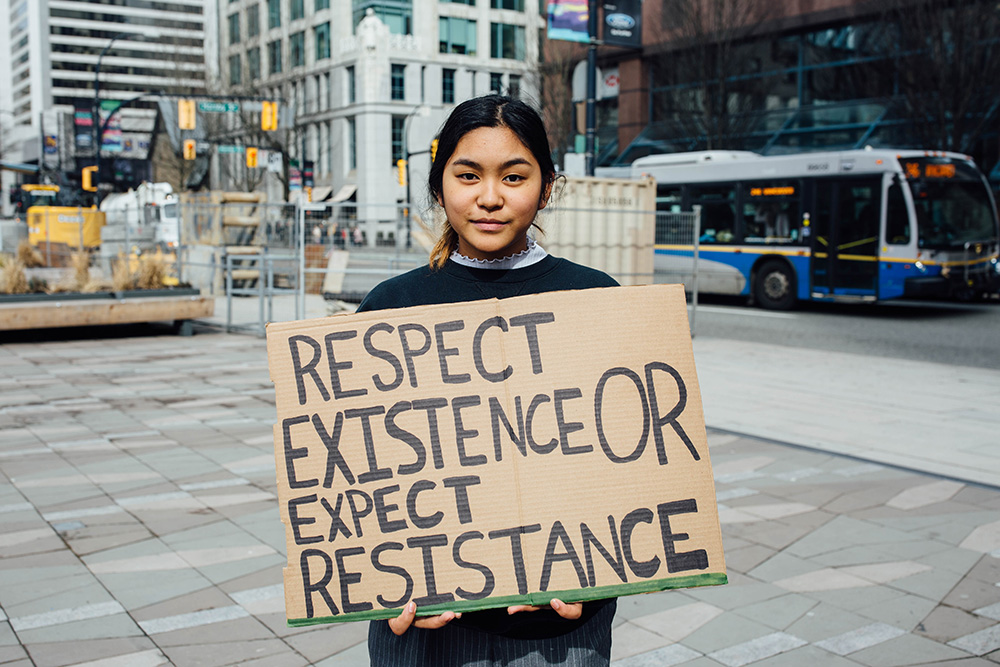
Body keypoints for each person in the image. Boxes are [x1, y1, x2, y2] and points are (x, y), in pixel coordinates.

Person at [359, 94, 618, 666]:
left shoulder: (596, 299)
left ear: (546, 187)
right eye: (468, 174)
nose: (490, 197)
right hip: (420, 632)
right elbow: (360, 476)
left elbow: (625, 469)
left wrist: (595, 578)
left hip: (557, 638)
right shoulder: (390, 307)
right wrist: (383, 581)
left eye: (514, 176)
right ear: (438, 184)